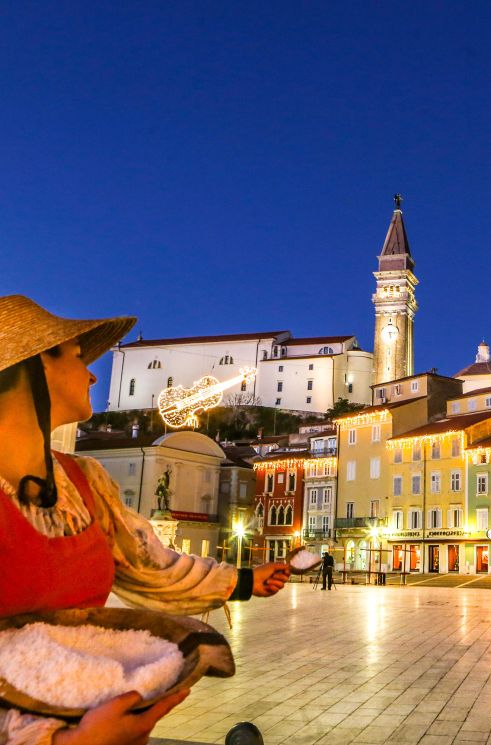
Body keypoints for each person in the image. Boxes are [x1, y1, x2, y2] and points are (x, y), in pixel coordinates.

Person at [0, 295, 291, 745]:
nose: (93, 373)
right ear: (31, 369)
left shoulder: (86, 481)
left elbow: (150, 565)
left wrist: (247, 580)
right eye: (78, 359)